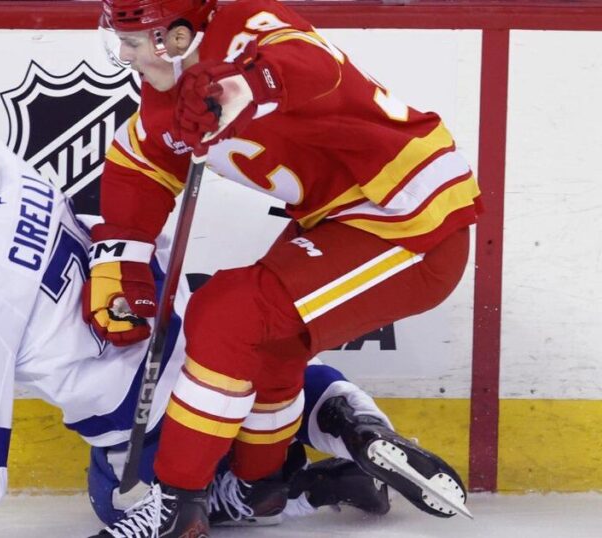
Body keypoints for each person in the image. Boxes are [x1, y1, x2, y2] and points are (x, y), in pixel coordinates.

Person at [0, 124, 466, 538]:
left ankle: (287, 491)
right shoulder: (8, 176)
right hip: (196, 359)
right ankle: (351, 425)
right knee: (269, 367)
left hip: (143, 437)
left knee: (141, 497)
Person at [87, 0, 481, 535]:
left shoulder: (250, 28)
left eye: (132, 42)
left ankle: (176, 501)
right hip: (340, 221)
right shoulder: (166, 97)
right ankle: (259, 486)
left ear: (175, 38)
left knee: (227, 313)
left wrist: (244, 85)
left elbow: (311, 64)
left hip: (408, 219)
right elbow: (144, 161)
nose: (124, 56)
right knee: (267, 341)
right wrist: (123, 258)